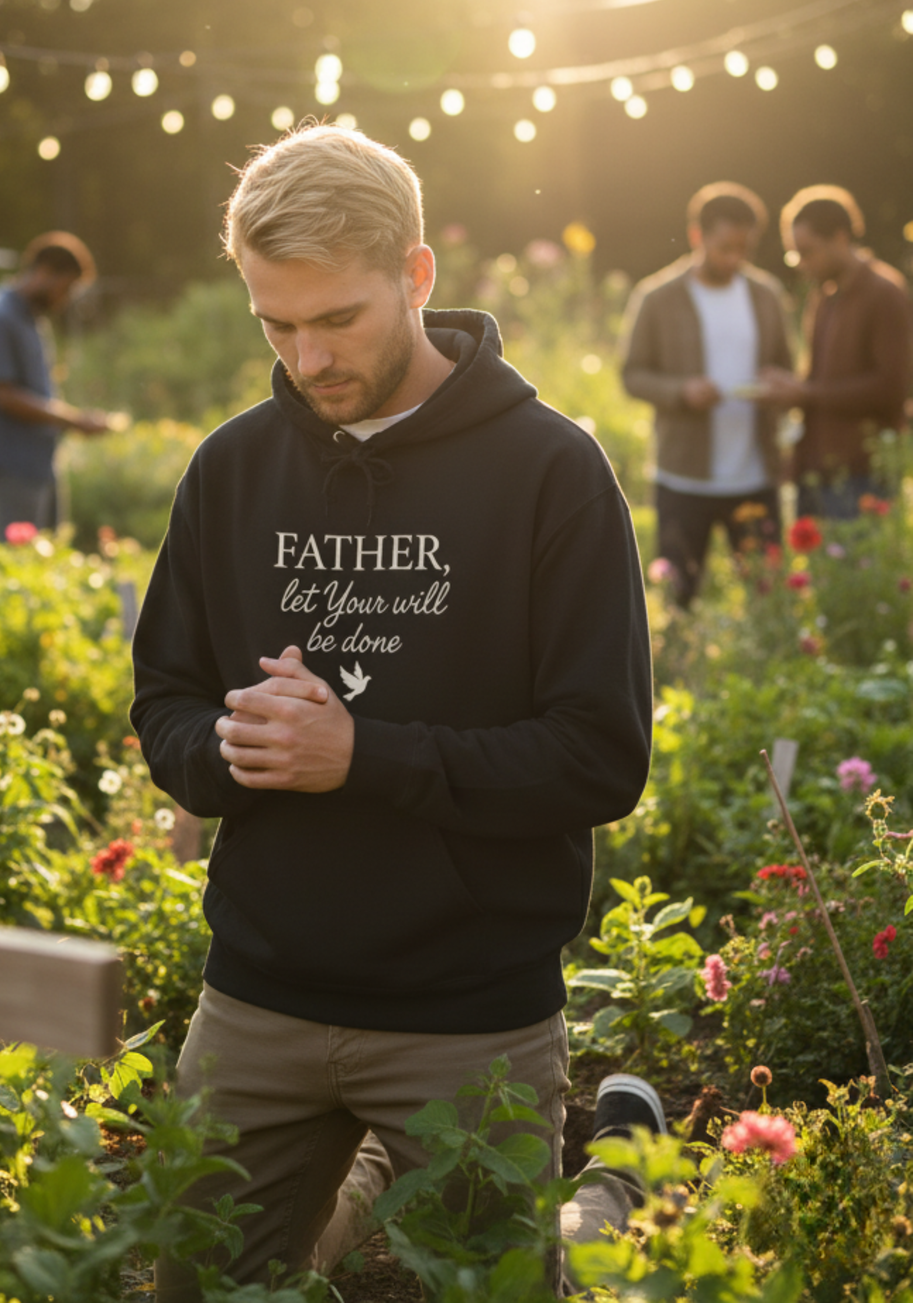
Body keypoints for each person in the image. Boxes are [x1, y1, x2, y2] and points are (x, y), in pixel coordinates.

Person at [129, 125, 656, 1299]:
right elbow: (162, 695)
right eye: (275, 324)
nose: (305, 358)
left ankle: (618, 1173)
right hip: (257, 993)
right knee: (196, 1285)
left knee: (495, 1287)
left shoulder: (549, 473)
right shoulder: (229, 470)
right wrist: (224, 749)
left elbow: (599, 756)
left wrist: (360, 754)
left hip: (464, 1014)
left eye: (338, 318)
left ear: (415, 276)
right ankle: (370, 1182)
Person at [619, 183, 792, 607]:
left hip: (755, 475)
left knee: (768, 601)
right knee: (679, 599)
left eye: (744, 248)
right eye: (725, 247)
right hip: (684, 477)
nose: (735, 257)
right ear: (698, 236)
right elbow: (631, 374)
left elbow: (787, 368)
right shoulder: (657, 297)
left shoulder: (766, 294)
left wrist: (777, 385)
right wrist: (681, 392)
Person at [759, 186, 913, 518]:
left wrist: (805, 393)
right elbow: (820, 381)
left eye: (807, 251)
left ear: (840, 238)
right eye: (794, 254)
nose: (801, 263)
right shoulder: (825, 295)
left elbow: (891, 389)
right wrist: (792, 388)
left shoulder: (884, 293)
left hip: (861, 475)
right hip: (816, 470)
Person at [0, 231, 114, 539]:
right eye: (67, 287)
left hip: (38, 458)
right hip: (13, 462)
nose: (66, 297)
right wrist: (72, 420)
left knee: (47, 556)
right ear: (45, 273)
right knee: (20, 560)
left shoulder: (30, 318)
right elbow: (4, 396)